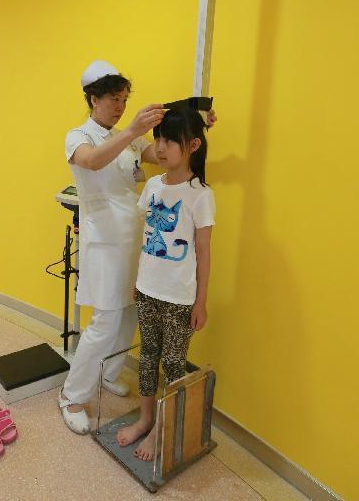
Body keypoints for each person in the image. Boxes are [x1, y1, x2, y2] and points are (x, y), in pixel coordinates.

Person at [57, 60, 166, 434]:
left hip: (134, 236)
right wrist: (133, 130)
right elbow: (91, 162)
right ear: (93, 99)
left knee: (131, 311)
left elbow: (160, 155)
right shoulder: (78, 136)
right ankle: (72, 396)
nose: (119, 107)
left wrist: (194, 125)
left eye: (123, 100)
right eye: (113, 100)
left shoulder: (128, 138)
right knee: (105, 321)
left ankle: (108, 372)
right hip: (104, 241)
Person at [115, 107, 215, 461]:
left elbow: (203, 252)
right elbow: (146, 239)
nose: (160, 147)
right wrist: (138, 281)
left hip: (179, 299)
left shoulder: (200, 195)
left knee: (173, 364)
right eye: (158, 139)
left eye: (170, 141)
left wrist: (200, 302)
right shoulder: (154, 185)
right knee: (147, 358)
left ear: (193, 146)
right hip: (147, 291)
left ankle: (163, 426)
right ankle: (145, 419)